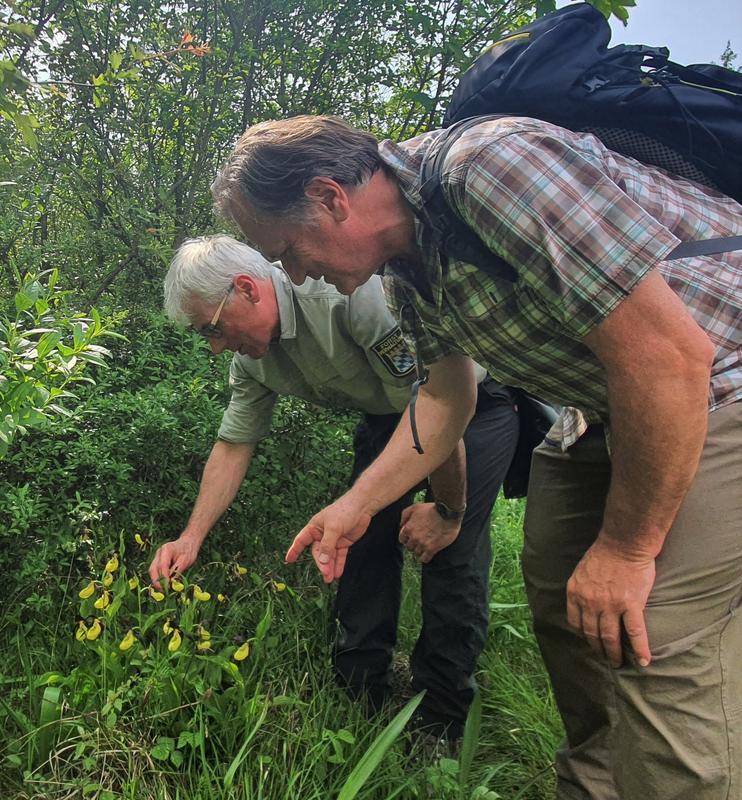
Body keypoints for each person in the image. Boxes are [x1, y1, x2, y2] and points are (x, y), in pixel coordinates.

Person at [209, 115, 742, 800]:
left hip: (717, 382)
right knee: (565, 608)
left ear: (329, 199)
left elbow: (671, 356)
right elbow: (443, 401)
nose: (291, 272)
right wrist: (355, 506)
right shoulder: (406, 271)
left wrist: (628, 549)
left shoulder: (488, 168)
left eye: (285, 250)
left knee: (650, 631)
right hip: (602, 410)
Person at [148, 234, 519, 744]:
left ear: (246, 289)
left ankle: (442, 722)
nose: (214, 346)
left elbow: (440, 413)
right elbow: (234, 444)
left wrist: (448, 510)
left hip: (467, 406)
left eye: (212, 328)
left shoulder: (349, 296)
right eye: (203, 336)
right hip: (393, 413)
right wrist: (190, 538)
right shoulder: (251, 357)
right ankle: (359, 696)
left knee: (449, 555)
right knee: (359, 540)